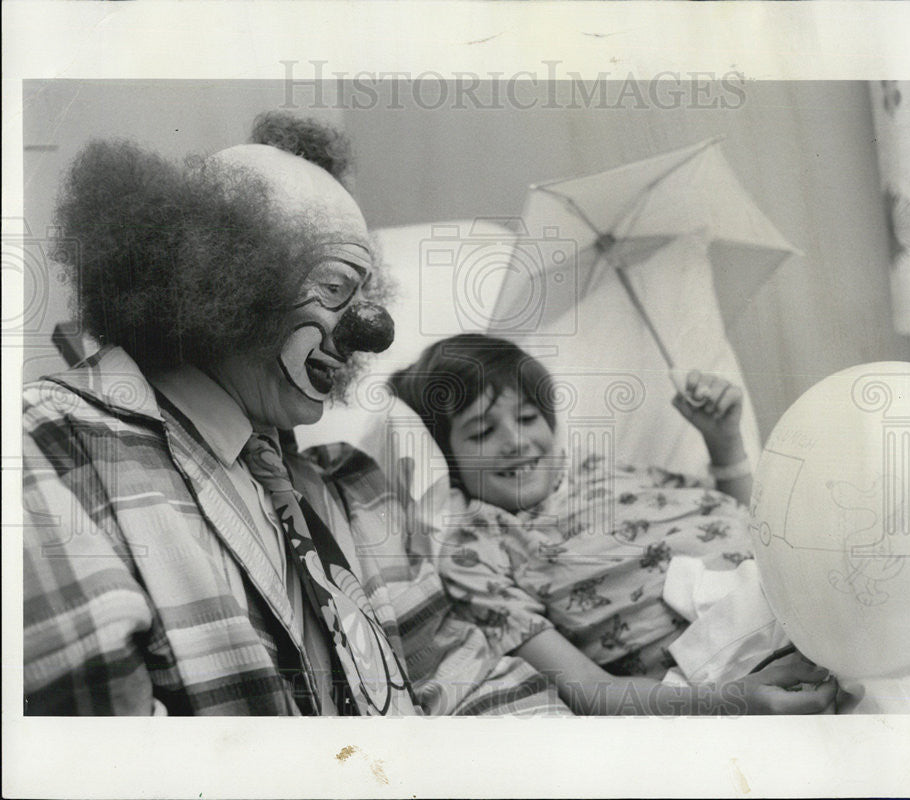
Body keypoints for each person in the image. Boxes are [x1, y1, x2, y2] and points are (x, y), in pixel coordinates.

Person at [22, 114, 565, 716]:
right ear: (218, 277)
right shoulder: (46, 453)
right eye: (335, 287)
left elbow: (470, 684)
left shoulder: (353, 491)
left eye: (367, 296)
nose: (371, 333)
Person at [389, 333, 840, 715]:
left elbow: (749, 524)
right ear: (446, 458)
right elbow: (589, 689)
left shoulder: (607, 471)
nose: (517, 441)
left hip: (794, 581)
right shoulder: (477, 547)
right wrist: (730, 702)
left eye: (527, 417)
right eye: (483, 432)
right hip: (731, 659)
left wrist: (724, 444)